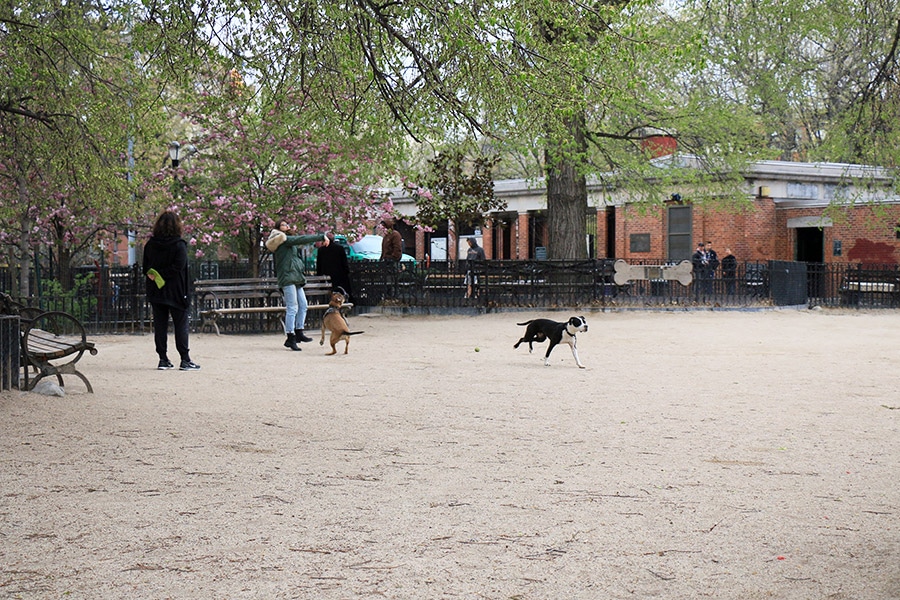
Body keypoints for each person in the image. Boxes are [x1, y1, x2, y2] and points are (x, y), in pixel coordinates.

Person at [143, 210, 200, 371]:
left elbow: (145, 267)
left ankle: (163, 358)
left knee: (160, 325)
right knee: (180, 324)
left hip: (156, 290)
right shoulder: (179, 245)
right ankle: (185, 359)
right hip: (177, 290)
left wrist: (156, 276)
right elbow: (178, 267)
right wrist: (166, 275)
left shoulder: (150, 245)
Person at [266, 218, 329, 351]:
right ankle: (290, 336)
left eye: (286, 223)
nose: (286, 225)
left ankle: (299, 331)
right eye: (283, 224)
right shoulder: (281, 239)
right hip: (288, 277)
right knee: (292, 307)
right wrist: (321, 236)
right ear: (278, 228)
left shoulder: (288, 240)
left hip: (296, 277)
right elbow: (301, 239)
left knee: (303, 304)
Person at [316, 231, 353, 302]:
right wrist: (346, 272)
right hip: (339, 276)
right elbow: (344, 263)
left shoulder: (321, 250)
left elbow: (319, 265)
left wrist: (319, 276)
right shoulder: (340, 248)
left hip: (326, 277)